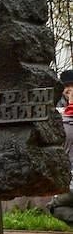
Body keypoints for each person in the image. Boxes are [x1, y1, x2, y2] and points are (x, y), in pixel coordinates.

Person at [48, 70, 73, 225]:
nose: (67, 90)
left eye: (71, 86)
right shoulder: (63, 114)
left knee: (55, 205)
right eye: (66, 87)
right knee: (54, 206)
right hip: (69, 180)